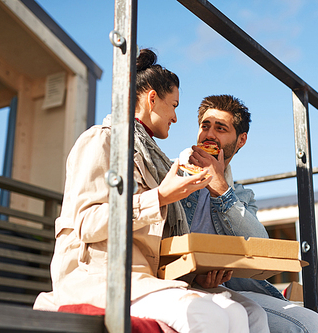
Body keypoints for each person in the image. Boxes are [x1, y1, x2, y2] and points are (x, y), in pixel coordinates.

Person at [33, 50, 268, 333]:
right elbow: (86, 223)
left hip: (145, 280)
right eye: (174, 105)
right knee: (209, 315)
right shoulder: (101, 140)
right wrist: (160, 197)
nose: (176, 117)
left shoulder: (154, 160)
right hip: (98, 277)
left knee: (241, 313)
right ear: (152, 98)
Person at [180, 95, 318, 333]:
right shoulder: (173, 174)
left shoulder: (242, 195)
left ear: (241, 140)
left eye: (221, 128)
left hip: (231, 289)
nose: (209, 134)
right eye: (205, 126)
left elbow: (259, 243)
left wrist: (221, 189)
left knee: (314, 326)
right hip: (177, 285)